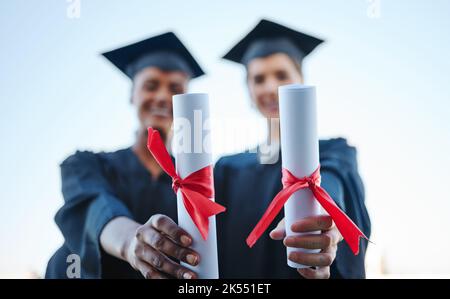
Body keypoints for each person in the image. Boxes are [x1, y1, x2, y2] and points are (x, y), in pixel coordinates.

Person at [214, 19, 371, 278]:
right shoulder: (228, 168)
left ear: (301, 80)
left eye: (282, 75)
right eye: (258, 79)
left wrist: (323, 216)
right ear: (248, 90)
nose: (271, 88)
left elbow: (333, 181)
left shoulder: (334, 151)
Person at [46, 32, 207, 279]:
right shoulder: (86, 165)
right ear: (132, 95)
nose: (163, 97)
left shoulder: (196, 182)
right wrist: (131, 242)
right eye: (151, 86)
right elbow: (93, 205)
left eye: (175, 89)